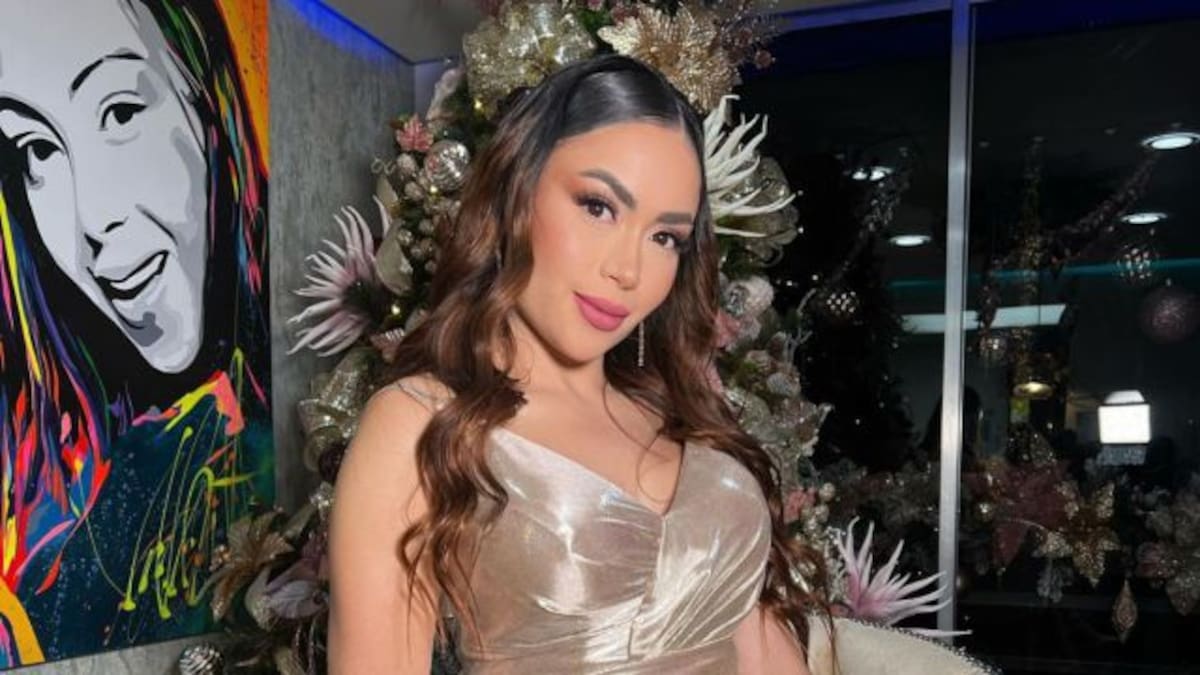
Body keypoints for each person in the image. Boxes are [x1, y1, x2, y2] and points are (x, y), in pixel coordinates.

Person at [327, 55, 830, 674]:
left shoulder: (686, 419)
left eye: (665, 237)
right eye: (598, 207)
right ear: (516, 191)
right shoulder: (420, 424)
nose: (628, 270)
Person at [0, 0, 268, 664]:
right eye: (38, 149)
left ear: (205, 105)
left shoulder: (276, 421)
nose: (93, 219)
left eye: (120, 113)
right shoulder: (50, 499)